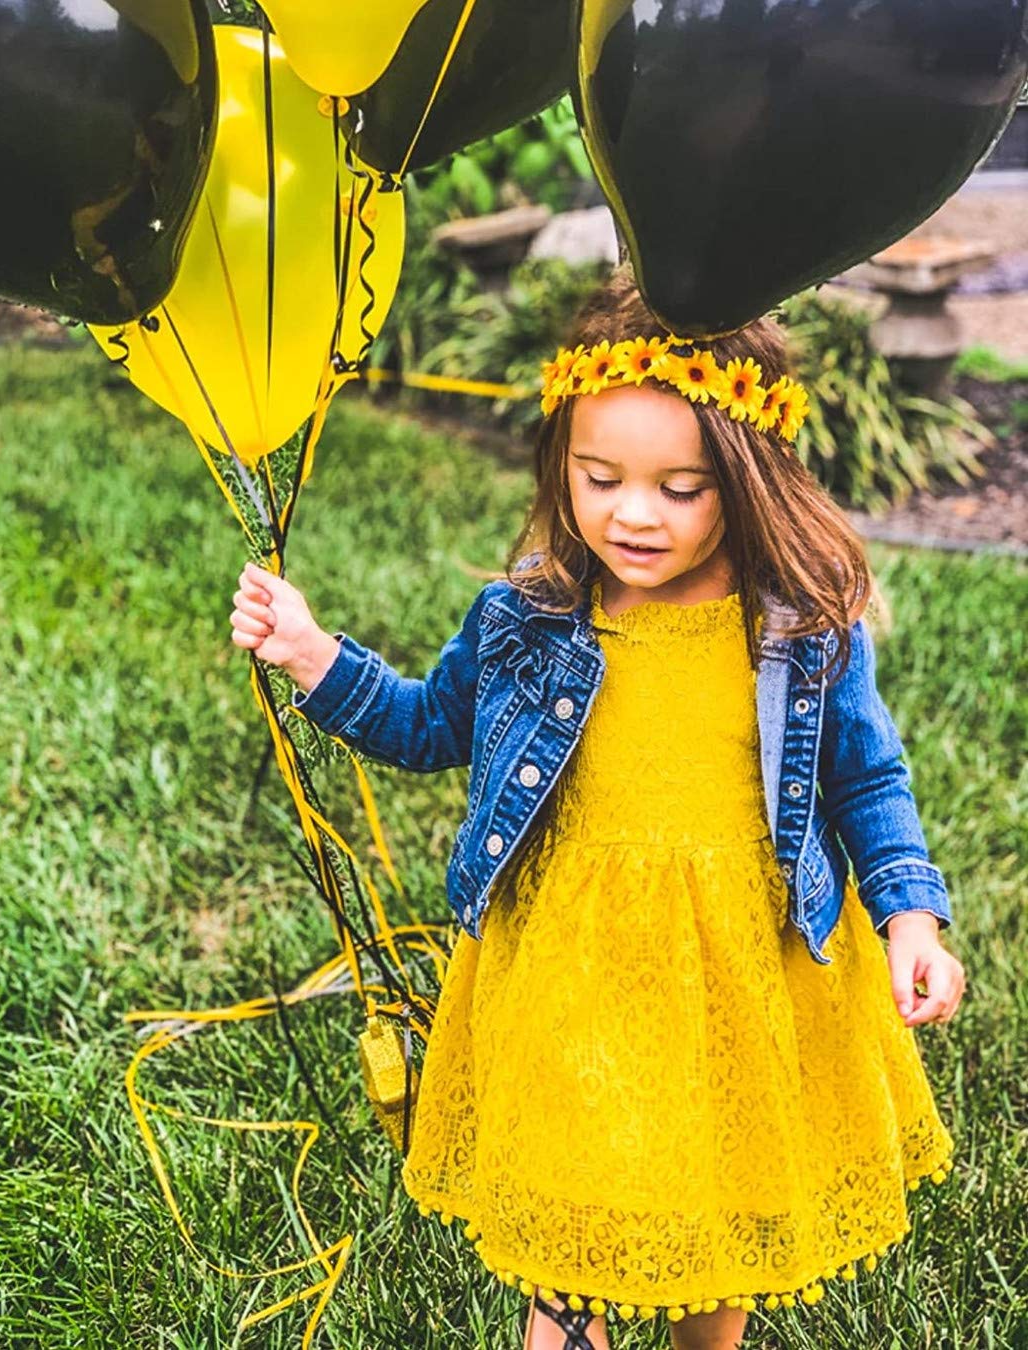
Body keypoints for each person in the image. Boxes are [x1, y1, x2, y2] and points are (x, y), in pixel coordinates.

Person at [229, 267, 966, 1350]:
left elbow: (865, 779)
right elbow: (431, 725)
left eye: (682, 488)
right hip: (572, 972)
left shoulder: (800, 632)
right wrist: (313, 655)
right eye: (600, 477)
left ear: (749, 480)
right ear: (560, 466)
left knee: (714, 1204)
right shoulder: (529, 619)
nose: (633, 514)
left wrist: (910, 915)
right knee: (570, 1241)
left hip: (737, 969)